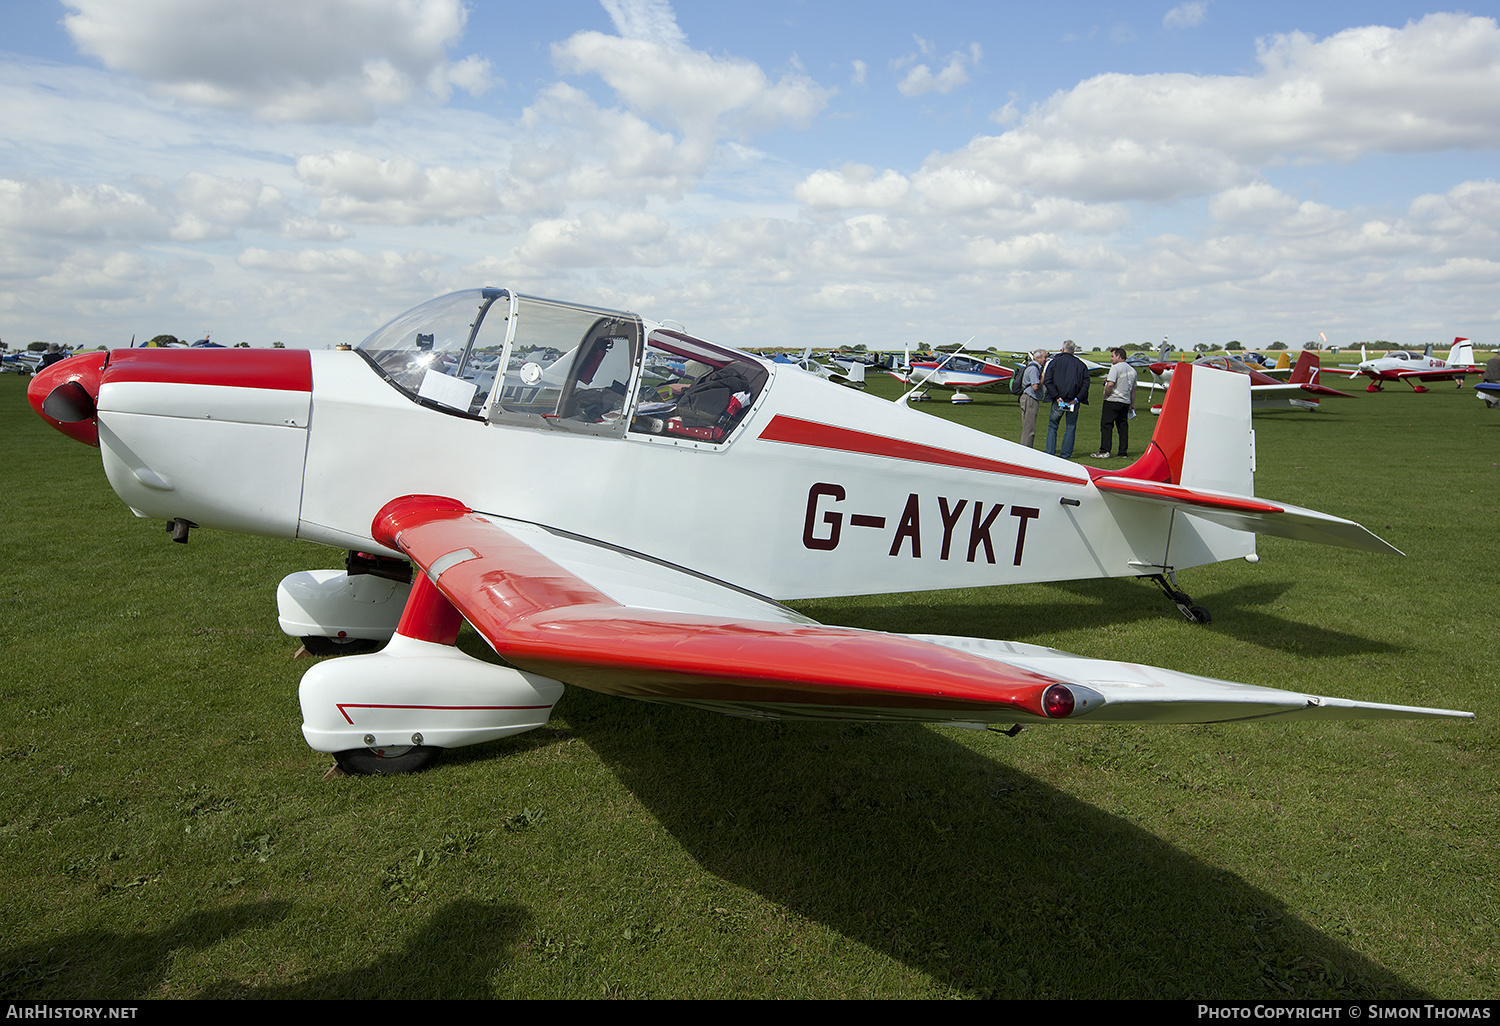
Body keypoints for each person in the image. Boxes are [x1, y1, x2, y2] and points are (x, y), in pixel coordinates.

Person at [1043, 340, 1089, 459]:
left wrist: (1057, 396)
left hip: (1058, 400)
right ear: (1073, 351)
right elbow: (1085, 384)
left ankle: (1050, 453)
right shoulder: (1081, 365)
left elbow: (1048, 380)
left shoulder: (1054, 363)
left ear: (1062, 349)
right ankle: (1065, 454)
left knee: (1053, 426)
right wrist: (1077, 399)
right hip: (1073, 400)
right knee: (1070, 426)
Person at [1091, 347, 1137, 459]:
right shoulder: (1133, 371)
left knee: (1106, 425)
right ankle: (1122, 452)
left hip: (1112, 400)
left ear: (1119, 356)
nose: (1111, 359)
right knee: (1122, 427)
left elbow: (1110, 384)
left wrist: (1106, 395)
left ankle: (1105, 450)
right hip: (1125, 401)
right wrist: (1131, 403)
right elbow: (1133, 390)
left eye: (1112, 356)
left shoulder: (1115, 368)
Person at [1018, 349, 1047, 447]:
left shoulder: (1032, 367)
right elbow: (1035, 386)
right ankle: (1027, 449)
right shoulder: (1034, 369)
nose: (1046, 360)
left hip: (1028, 398)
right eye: (1044, 357)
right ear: (1038, 358)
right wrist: (1042, 377)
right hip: (1030, 399)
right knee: (1029, 428)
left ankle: (1025, 448)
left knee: (1027, 427)